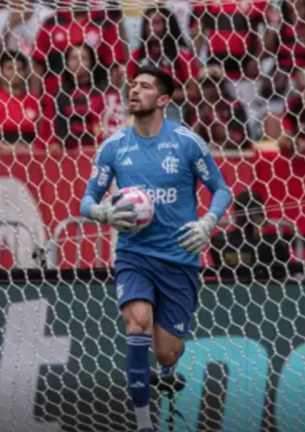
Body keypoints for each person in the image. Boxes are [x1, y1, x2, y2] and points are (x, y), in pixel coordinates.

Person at [78, 65, 232, 432]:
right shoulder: (114, 146)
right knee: (137, 322)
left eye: (145, 87)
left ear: (163, 100)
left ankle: (159, 371)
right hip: (135, 255)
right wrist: (101, 212)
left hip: (179, 257)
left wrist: (207, 223)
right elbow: (87, 200)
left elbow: (222, 189)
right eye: (132, 85)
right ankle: (144, 423)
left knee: (167, 352)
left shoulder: (186, 141)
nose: (134, 91)